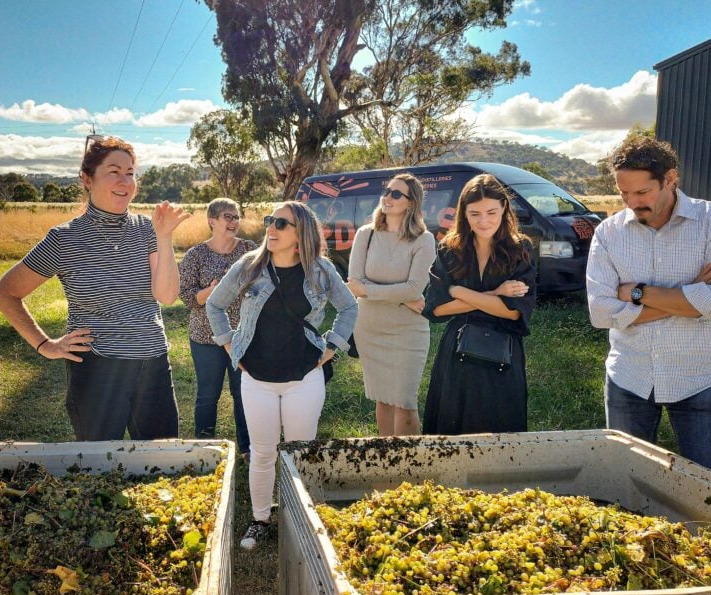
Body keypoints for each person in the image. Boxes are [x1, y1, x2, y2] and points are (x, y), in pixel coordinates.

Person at [0, 136, 188, 441]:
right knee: (98, 463)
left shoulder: (149, 229)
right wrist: (45, 345)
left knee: (164, 459)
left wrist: (164, 236)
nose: (125, 181)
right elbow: (5, 293)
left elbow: (167, 295)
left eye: (130, 173)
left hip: (153, 366)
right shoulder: (64, 239)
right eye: (114, 171)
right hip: (97, 370)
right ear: (87, 178)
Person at [586, 136, 711, 475]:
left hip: (699, 377)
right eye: (624, 193)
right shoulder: (607, 233)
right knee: (624, 485)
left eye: (642, 192)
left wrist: (635, 293)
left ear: (670, 179)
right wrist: (693, 295)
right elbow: (601, 313)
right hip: (629, 377)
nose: (632, 202)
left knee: (708, 490)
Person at [206, 201, 357, 550]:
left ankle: (299, 517)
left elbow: (350, 306)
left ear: (301, 233)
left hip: (303, 379)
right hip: (257, 380)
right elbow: (214, 304)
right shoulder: (249, 265)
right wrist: (229, 345)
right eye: (270, 220)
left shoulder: (320, 270)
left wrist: (332, 346)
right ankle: (260, 519)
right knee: (262, 453)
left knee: (300, 453)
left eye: (281, 223)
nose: (271, 228)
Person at [422, 174, 536, 435]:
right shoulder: (449, 249)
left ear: (504, 208)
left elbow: (513, 311)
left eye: (491, 212)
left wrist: (457, 291)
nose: (484, 221)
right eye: (475, 214)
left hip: (503, 351)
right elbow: (436, 309)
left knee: (500, 433)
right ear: (463, 213)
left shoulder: (520, 249)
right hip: (457, 351)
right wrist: (495, 292)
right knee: (451, 434)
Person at [347, 173, 436, 436]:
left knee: (405, 403)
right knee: (383, 399)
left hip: (408, 331)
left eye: (396, 194)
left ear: (411, 203)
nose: (387, 197)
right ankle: (385, 456)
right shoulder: (366, 234)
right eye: (387, 191)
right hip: (370, 328)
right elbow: (354, 282)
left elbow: (414, 288)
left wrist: (369, 290)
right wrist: (403, 298)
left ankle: (410, 461)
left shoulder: (424, 239)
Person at [179, 198, 257, 459]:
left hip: (243, 335)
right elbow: (187, 297)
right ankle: (205, 450)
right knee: (207, 395)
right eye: (227, 217)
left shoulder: (249, 250)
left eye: (236, 217)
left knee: (243, 393)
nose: (234, 222)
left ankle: (247, 448)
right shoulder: (196, 255)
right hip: (206, 337)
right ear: (212, 221)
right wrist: (212, 291)